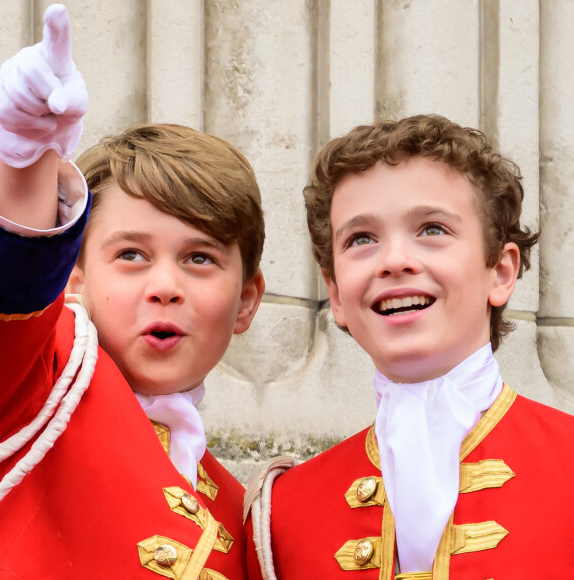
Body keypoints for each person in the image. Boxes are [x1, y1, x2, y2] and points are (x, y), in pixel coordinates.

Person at [0, 5, 264, 579]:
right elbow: (11, 298)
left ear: (246, 300)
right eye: (130, 255)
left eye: (199, 258)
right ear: (75, 276)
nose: (164, 287)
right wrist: (22, 161)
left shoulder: (248, 517)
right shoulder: (29, 382)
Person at [245, 114, 574, 579]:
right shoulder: (281, 512)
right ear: (336, 295)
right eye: (362, 239)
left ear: (500, 273)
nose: (395, 261)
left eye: (432, 229)